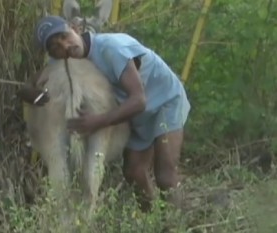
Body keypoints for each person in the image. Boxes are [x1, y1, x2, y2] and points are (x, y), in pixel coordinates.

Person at [21, 15, 191, 211]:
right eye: (55, 46)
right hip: (132, 114)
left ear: (75, 28)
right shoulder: (65, 58)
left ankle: (177, 225)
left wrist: (97, 122)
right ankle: (152, 222)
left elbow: (139, 100)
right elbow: (31, 83)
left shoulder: (112, 48)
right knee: (134, 173)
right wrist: (30, 93)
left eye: (64, 36)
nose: (65, 46)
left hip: (164, 103)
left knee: (165, 175)